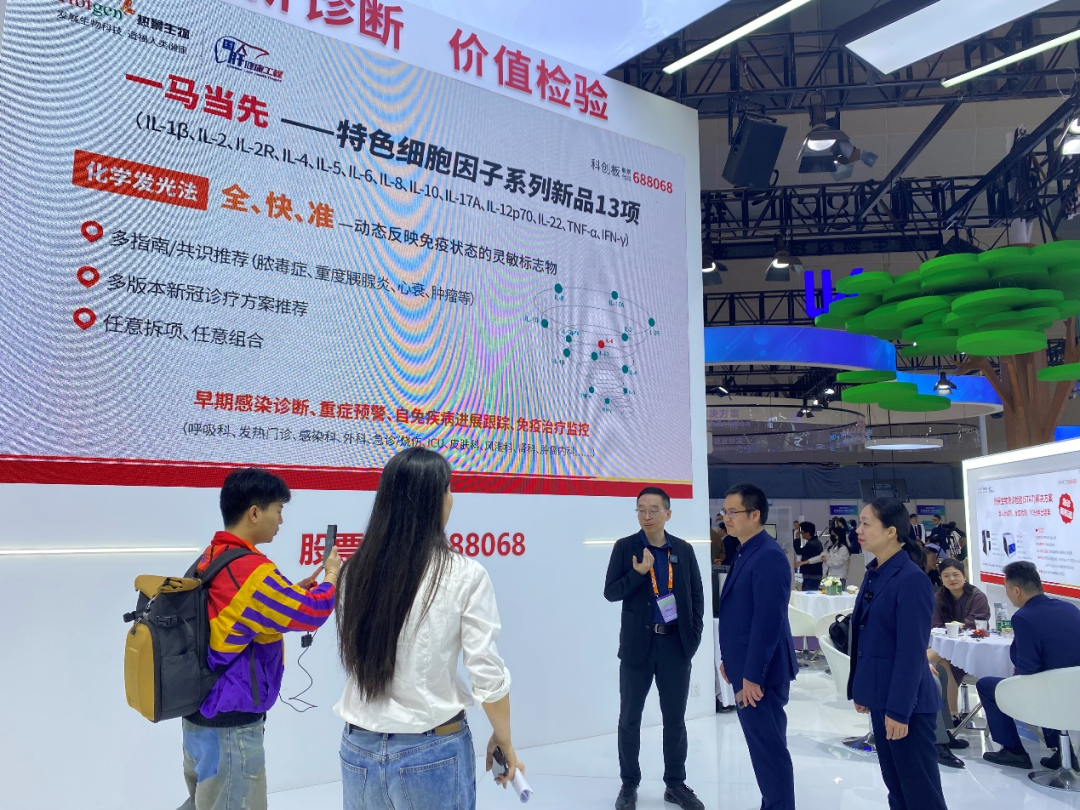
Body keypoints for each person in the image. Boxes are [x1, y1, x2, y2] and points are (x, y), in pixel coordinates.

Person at [335, 447, 520, 809]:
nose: (452, 498)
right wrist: (504, 739)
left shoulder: (353, 571)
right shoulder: (464, 574)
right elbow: (486, 672)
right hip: (432, 749)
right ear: (432, 500)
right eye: (448, 488)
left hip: (358, 748)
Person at [180, 468, 340, 810]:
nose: (280, 521)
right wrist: (332, 575)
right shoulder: (252, 570)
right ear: (254, 512)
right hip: (231, 731)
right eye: (278, 510)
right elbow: (312, 612)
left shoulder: (211, 557)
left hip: (198, 721)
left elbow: (237, 618)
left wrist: (291, 592)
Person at [605, 487, 705, 810]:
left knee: (675, 720)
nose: (646, 516)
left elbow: (697, 596)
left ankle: (675, 784)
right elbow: (610, 592)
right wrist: (637, 575)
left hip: (675, 646)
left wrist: (692, 639)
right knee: (629, 718)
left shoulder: (683, 550)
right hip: (637, 647)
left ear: (668, 514)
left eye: (653, 510)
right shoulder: (625, 547)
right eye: (641, 510)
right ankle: (629, 783)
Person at [849, 497, 946, 810]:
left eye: (866, 523)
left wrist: (900, 710)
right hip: (883, 697)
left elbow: (911, 650)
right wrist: (864, 689)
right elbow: (868, 638)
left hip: (907, 705)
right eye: (859, 523)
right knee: (898, 790)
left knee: (921, 795)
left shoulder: (911, 579)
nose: (859, 530)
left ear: (891, 531)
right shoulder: (875, 572)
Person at [718, 483, 797, 810]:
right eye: (724, 512)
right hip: (747, 668)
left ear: (755, 515)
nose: (726, 518)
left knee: (769, 751)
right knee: (763, 749)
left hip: (761, 675)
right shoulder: (745, 550)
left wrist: (752, 675)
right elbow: (742, 615)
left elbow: (768, 621)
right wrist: (731, 661)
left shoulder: (768, 556)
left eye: (732, 512)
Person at [977, 561, 1080, 771]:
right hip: (1074, 688)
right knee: (1047, 680)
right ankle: (1063, 751)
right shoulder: (1069, 608)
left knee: (987, 685)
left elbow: (1028, 669)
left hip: (1048, 692)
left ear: (1016, 590)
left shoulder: (1024, 617)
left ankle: (1013, 751)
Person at [927, 559, 991, 717]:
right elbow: (935, 626)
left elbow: (975, 625)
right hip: (947, 651)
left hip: (971, 650)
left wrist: (951, 630)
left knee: (939, 657)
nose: (952, 579)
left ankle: (920, 663)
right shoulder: (937, 598)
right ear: (941, 579)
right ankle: (952, 715)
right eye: (946, 576)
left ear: (964, 576)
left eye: (956, 574)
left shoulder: (978, 597)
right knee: (944, 663)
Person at [793, 521, 823, 591]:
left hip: (812, 575)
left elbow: (799, 551)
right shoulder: (815, 542)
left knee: (809, 593)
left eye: (802, 532)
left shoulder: (812, 544)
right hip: (813, 574)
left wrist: (797, 539)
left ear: (807, 533)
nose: (801, 534)